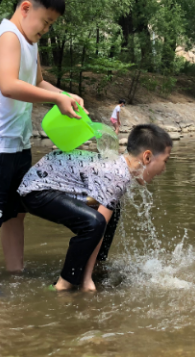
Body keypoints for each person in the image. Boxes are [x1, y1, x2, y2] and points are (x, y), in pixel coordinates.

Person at [0, 0, 85, 293]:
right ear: (25, 8)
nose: (46, 29)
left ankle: (15, 274)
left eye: (51, 25)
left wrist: (64, 94)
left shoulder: (30, 42)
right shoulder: (8, 36)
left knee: (15, 212)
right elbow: (8, 84)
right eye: (45, 22)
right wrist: (55, 100)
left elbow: (38, 81)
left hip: (17, 142)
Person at [19, 124, 172, 292]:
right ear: (147, 157)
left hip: (55, 187)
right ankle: (65, 283)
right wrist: (87, 282)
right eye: (165, 161)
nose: (164, 169)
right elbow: (98, 226)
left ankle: (95, 265)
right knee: (95, 222)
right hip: (37, 192)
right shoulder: (117, 175)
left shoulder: (119, 166)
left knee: (110, 211)